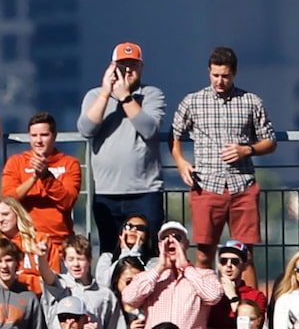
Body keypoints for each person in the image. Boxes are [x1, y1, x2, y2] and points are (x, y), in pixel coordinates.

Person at [171, 47, 275, 252]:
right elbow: (174, 134)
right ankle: (206, 286)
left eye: (225, 76)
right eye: (215, 75)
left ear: (234, 73)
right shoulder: (193, 101)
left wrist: (247, 150)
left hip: (242, 184)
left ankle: (245, 286)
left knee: (245, 254)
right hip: (207, 184)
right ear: (209, 72)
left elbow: (270, 142)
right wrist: (180, 161)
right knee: (204, 252)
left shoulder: (251, 102)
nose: (219, 81)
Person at [78, 43, 169, 243]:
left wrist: (125, 97)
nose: (128, 70)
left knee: (149, 251)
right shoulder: (94, 96)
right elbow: (86, 129)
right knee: (110, 251)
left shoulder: (152, 95)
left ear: (141, 68)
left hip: (144, 191)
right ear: (112, 67)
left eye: (133, 65)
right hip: (106, 192)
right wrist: (105, 93)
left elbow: (149, 128)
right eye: (122, 65)